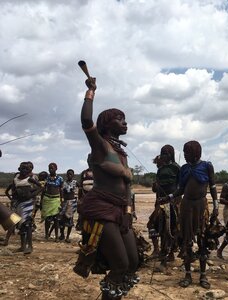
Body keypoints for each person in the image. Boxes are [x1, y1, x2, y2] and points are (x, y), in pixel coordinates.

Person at [73, 76, 138, 300]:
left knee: (133, 262)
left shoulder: (120, 153)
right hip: (101, 209)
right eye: (120, 119)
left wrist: (128, 212)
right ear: (107, 124)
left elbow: (127, 186)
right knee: (119, 264)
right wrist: (91, 91)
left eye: (125, 119)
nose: (125, 123)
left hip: (120, 211)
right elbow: (85, 120)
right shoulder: (100, 146)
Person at [158, 140, 218, 289]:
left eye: (187, 152)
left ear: (195, 153)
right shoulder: (184, 168)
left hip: (201, 206)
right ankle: (187, 275)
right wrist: (169, 197)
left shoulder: (206, 166)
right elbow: (181, 190)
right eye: (184, 152)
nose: (184, 155)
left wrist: (216, 206)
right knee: (186, 240)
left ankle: (203, 276)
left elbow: (213, 187)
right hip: (186, 206)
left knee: (202, 239)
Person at [152, 145, 181, 272]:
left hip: (172, 203)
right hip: (160, 203)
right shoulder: (161, 169)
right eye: (161, 153)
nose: (162, 155)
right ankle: (162, 253)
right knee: (157, 227)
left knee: (170, 229)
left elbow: (180, 187)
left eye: (164, 153)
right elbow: (156, 188)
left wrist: (175, 200)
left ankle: (167, 257)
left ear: (170, 154)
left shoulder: (176, 168)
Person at [6, 162, 42, 254]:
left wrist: (31, 194)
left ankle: (30, 246)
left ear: (30, 170)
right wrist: (15, 199)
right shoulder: (15, 180)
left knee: (27, 224)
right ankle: (22, 246)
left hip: (27, 204)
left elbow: (41, 187)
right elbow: (13, 192)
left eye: (27, 169)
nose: (25, 170)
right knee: (20, 225)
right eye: (23, 168)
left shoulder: (29, 179)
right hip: (18, 204)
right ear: (19, 169)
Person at [41, 163, 63, 240]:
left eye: (52, 168)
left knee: (56, 219)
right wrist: (41, 201)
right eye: (49, 168)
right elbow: (43, 190)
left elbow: (61, 190)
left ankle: (57, 236)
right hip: (47, 200)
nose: (50, 170)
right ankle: (47, 235)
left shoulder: (60, 178)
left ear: (56, 169)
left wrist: (62, 201)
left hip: (56, 200)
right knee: (47, 219)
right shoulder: (46, 178)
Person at [59, 169, 79, 242]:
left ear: (73, 175)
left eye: (71, 174)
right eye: (68, 174)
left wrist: (78, 198)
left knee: (70, 220)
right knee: (62, 219)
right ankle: (62, 235)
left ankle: (67, 237)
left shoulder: (75, 182)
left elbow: (80, 188)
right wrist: (61, 200)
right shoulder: (64, 183)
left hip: (72, 202)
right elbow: (61, 191)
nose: (69, 175)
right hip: (65, 202)